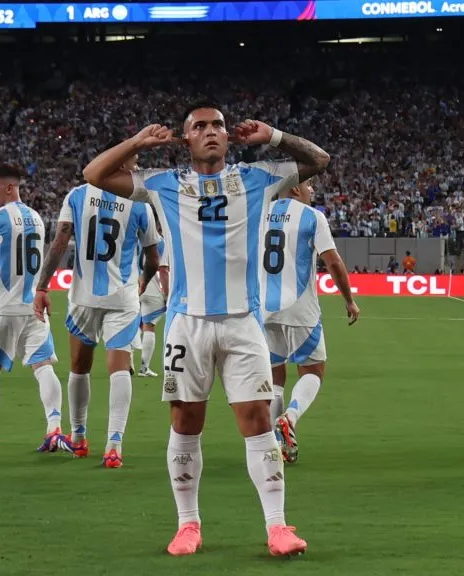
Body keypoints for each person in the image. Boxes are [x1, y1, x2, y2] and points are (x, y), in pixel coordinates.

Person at [83, 105, 330, 557]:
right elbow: (94, 174)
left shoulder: (259, 179)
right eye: (200, 126)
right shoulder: (162, 183)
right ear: (186, 139)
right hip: (187, 323)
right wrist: (138, 142)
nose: (211, 131)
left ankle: (278, 527)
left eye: (218, 125)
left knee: (257, 420)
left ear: (228, 136)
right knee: (185, 421)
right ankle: (187, 525)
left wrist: (273, 136)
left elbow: (319, 160)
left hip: (244, 322)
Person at [33, 155, 161, 468]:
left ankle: (78, 438)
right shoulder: (140, 204)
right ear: (121, 166)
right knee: (120, 368)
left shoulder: (77, 195)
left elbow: (60, 242)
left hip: (83, 296)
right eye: (134, 164)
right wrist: (143, 281)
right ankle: (114, 445)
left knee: (79, 367)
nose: (137, 169)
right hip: (123, 297)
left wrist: (42, 286)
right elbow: (153, 258)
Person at [0, 165, 66, 450]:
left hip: (1, 310)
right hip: (32, 308)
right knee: (43, 367)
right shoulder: (36, 217)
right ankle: (54, 428)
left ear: (9, 188)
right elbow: (21, 259)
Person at [262, 178, 360, 464]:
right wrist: (349, 300)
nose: (313, 190)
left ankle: (275, 444)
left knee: (275, 376)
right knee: (313, 370)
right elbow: (333, 261)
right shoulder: (312, 216)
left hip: (263, 310)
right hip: (299, 307)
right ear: (295, 188)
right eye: (309, 184)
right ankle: (290, 417)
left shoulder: (259, 212)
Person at [134, 216, 169, 377]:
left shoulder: (134, 239)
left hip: (131, 285)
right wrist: (167, 294)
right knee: (150, 325)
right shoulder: (160, 242)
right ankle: (144, 367)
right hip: (149, 286)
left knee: (128, 322)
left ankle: (126, 362)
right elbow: (163, 270)